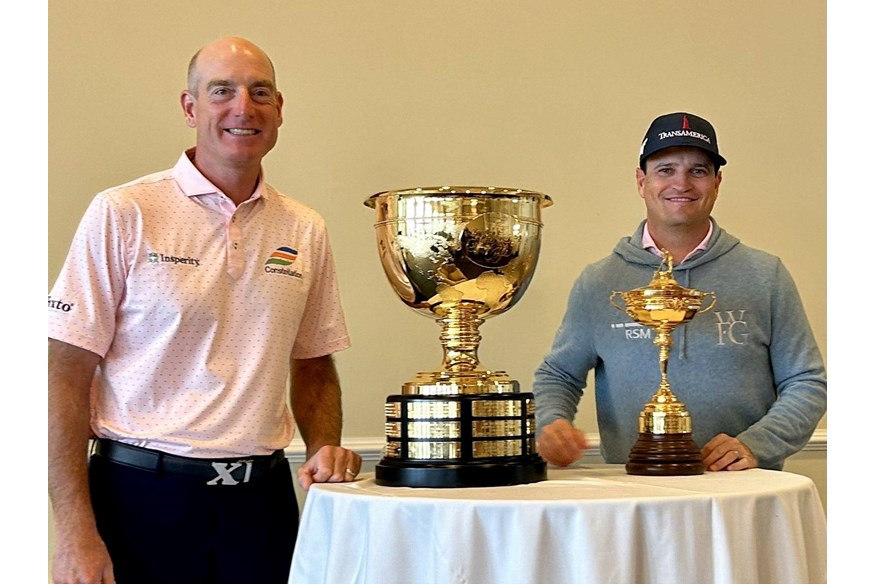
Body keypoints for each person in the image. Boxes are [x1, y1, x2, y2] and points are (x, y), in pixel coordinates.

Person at [48, 36, 362, 584]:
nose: (244, 107)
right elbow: (63, 375)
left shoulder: (304, 228)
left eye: (259, 91)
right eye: (222, 91)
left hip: (261, 508)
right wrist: (74, 533)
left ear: (279, 109)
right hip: (138, 502)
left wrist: (325, 447)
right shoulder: (125, 212)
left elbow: (313, 363)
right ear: (190, 108)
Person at [533, 112, 827, 473]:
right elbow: (559, 375)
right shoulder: (599, 282)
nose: (682, 183)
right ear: (641, 181)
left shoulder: (765, 276)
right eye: (666, 169)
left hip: (740, 490)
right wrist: (551, 424)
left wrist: (757, 444)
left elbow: (806, 382)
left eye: (698, 171)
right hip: (633, 494)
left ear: (717, 182)